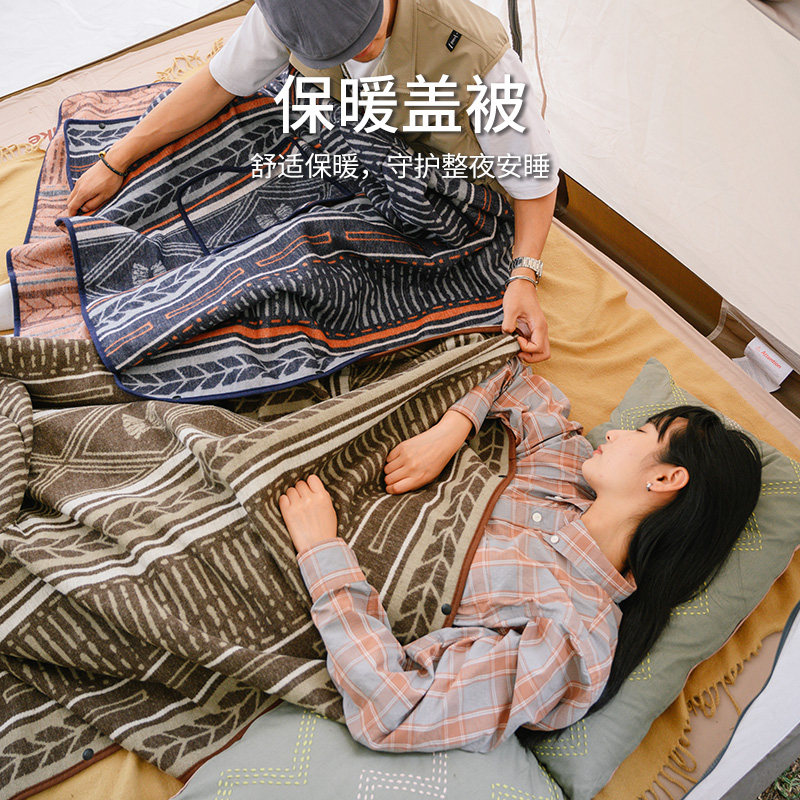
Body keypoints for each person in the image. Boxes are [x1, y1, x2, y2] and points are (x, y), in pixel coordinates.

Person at [278, 355, 762, 752]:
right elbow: (502, 363)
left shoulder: (572, 638)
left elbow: (398, 710)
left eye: (642, 432)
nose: (614, 433)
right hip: (328, 468)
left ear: (666, 478)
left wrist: (322, 553)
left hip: (295, 570)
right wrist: (450, 432)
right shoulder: (567, 469)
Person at [62, 0, 562, 364]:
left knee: (297, 268)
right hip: (341, 138)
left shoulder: (476, 51)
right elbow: (218, 83)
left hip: (436, 190)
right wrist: (117, 159)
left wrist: (524, 274)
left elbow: (535, 179)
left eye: (366, 38)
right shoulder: (290, 11)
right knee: (203, 153)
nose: (360, 54)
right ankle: (98, 271)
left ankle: (142, 328)